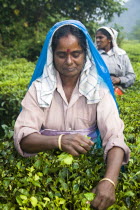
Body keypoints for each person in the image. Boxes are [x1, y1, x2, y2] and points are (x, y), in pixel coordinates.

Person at [14, 20, 130, 210]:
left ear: (86, 55)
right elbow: (23, 136)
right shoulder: (39, 89)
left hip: (86, 168)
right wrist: (59, 141)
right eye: (61, 55)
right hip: (43, 176)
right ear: (53, 55)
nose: (69, 62)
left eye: (76, 54)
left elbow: (114, 137)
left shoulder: (98, 90)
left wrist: (109, 181)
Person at [95, 26, 136, 93]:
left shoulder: (121, 55)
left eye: (101, 37)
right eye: (97, 38)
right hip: (98, 91)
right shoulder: (94, 55)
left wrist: (119, 80)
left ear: (110, 39)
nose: (97, 40)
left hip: (118, 91)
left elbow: (132, 76)